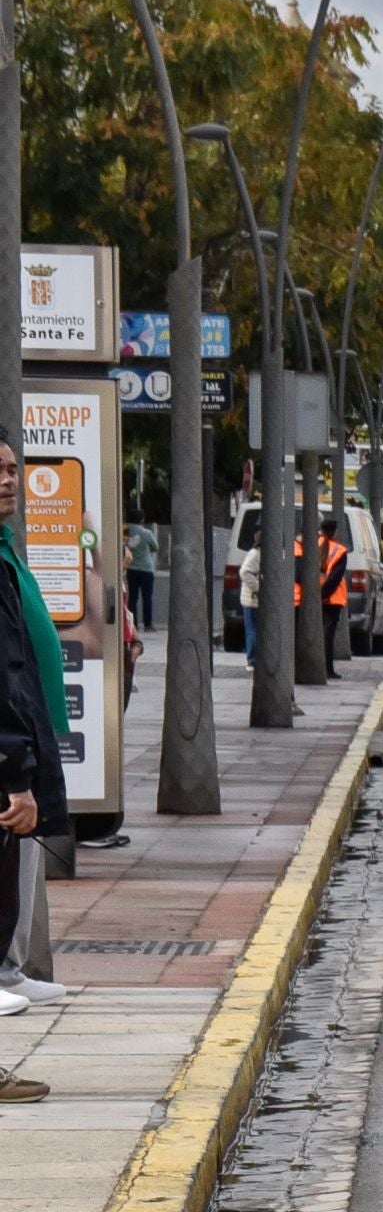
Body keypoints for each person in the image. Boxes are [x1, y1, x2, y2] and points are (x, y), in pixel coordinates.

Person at [1, 430, 72, 1105]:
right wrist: (13, 768)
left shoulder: (6, 551)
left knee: (14, 879)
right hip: (8, 754)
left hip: (21, 743)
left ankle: (12, 968)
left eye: (12, 470)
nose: (7, 480)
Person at [317, 518, 349, 678]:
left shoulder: (311, 544)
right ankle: (327, 669)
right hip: (332, 598)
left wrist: (316, 595)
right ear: (335, 531)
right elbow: (336, 577)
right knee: (327, 636)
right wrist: (324, 594)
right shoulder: (340, 550)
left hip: (311, 597)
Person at [123, 509, 158, 631]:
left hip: (131, 568)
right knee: (147, 597)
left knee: (132, 598)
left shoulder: (125, 531)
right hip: (146, 568)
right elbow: (155, 547)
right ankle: (148, 624)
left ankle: (133, 624)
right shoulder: (146, 533)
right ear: (141, 519)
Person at [239, 539, 262, 669]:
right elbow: (244, 572)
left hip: (255, 599)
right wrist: (258, 588)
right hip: (252, 599)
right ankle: (252, 659)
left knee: (254, 630)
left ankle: (254, 658)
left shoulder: (260, 553)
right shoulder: (255, 553)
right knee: (252, 630)